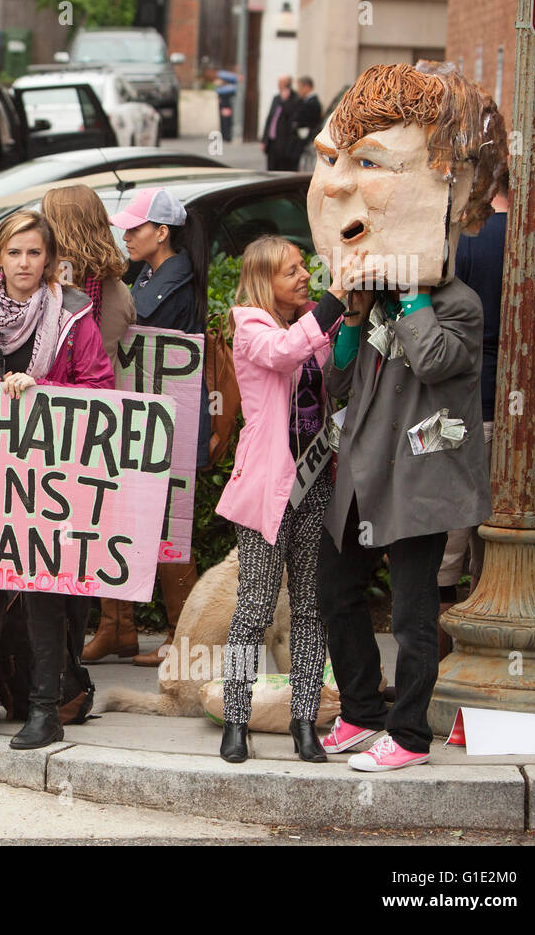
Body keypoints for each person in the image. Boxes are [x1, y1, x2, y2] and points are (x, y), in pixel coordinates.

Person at [311, 61, 506, 772]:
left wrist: (410, 298)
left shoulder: (456, 302)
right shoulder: (373, 301)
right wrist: (351, 324)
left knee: (416, 612)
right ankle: (362, 714)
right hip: (362, 474)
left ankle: (411, 735)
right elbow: (336, 386)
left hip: (421, 482)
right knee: (337, 592)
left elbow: (434, 363)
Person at [0, 209, 114, 750]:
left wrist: (42, 392)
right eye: (14, 252)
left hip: (49, 483)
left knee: (45, 594)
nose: (24, 263)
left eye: (34, 253)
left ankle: (45, 710)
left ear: (50, 260)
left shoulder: (73, 319)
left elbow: (100, 388)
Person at [215, 236, 350, 763]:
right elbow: (283, 352)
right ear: (264, 280)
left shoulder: (312, 319)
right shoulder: (250, 324)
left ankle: (304, 721)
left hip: (317, 483)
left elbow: (332, 367)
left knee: (312, 609)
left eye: (303, 268)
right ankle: (235, 718)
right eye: (290, 271)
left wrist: (348, 318)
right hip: (268, 489)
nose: (303, 276)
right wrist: (336, 301)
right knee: (255, 608)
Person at [452, 184, 535, 619]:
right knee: (505, 531)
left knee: (453, 541)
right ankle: (493, 629)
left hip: (469, 406)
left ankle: (447, 663)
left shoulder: (464, 243)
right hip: (530, 416)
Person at [40, 184, 140, 663]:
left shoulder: (56, 296)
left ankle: (62, 643)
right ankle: (100, 631)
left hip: (56, 431)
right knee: (90, 534)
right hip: (102, 430)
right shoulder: (117, 291)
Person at [111, 186, 210, 666]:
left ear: (162, 232)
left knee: (172, 524)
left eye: (135, 227)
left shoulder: (169, 281)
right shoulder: (153, 273)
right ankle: (118, 629)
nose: (126, 236)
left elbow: (131, 319)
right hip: (150, 420)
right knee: (125, 519)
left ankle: (182, 636)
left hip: (167, 424)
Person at [262, 75, 300, 171]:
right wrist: (264, 139)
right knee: (270, 169)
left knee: (281, 169)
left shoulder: (294, 98)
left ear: (287, 84)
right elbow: (270, 118)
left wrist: (285, 101)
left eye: (281, 83)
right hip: (272, 141)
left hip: (284, 143)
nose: (278, 85)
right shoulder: (276, 98)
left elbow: (291, 116)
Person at [292, 77, 322, 164]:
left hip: (308, 140)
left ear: (307, 87)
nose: (298, 91)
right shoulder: (306, 101)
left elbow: (310, 123)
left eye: (300, 87)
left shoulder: (313, 102)